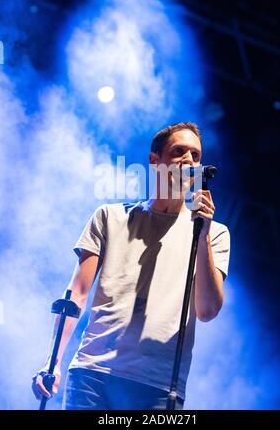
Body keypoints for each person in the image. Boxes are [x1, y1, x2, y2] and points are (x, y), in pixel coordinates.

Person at [32, 122, 230, 410]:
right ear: (155, 161)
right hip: (92, 375)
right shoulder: (109, 217)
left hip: (158, 385)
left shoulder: (214, 234)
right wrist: (54, 361)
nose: (189, 160)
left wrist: (203, 235)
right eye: (179, 151)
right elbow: (76, 294)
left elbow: (208, 310)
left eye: (196, 156)